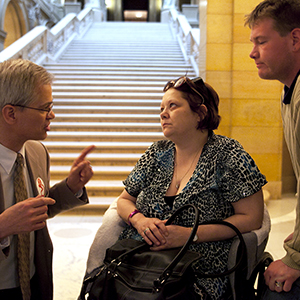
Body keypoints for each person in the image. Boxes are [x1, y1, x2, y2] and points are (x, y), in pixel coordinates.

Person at [107, 76, 266, 300]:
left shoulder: (228, 154)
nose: (163, 113)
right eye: (162, 107)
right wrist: (139, 220)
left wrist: (190, 235)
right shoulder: (156, 153)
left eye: (172, 106)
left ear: (200, 113)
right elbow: (124, 200)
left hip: (198, 267)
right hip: (138, 262)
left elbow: (252, 217)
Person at [0, 59, 94, 300]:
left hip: (33, 282)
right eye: (44, 108)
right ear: (11, 113)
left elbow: (36, 212)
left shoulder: (37, 152)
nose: (51, 115)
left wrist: (71, 187)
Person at [245, 0, 300, 298]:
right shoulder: (289, 91)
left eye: (261, 41)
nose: (252, 53)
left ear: (295, 39)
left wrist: (296, 257)